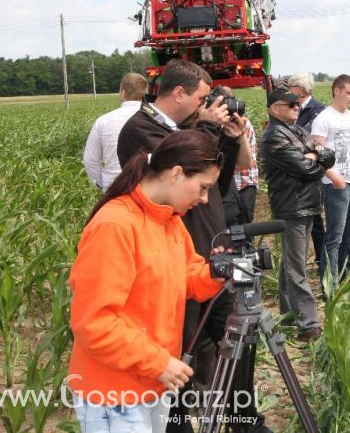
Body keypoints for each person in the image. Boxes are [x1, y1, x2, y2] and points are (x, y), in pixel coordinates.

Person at [116, 60, 268, 433]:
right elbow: (177, 167)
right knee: (182, 345)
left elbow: (217, 182)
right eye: (202, 98)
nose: (205, 104)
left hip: (206, 255)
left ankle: (242, 417)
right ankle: (178, 422)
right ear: (179, 93)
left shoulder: (182, 128)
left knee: (232, 336)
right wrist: (206, 127)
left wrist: (229, 141)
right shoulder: (140, 129)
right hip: (172, 259)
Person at [68, 130, 225, 432]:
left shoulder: (169, 220)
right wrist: (159, 362)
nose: (204, 199)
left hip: (153, 382)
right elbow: (95, 323)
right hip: (114, 393)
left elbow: (187, 277)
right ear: (176, 174)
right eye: (203, 187)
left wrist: (216, 271)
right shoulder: (115, 226)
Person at [261, 89, 335, 341]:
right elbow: (307, 169)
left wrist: (315, 155)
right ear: (274, 108)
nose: (296, 107)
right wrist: (315, 158)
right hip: (291, 206)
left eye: (297, 103)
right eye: (290, 104)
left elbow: (329, 155)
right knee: (296, 267)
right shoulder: (274, 136)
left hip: (306, 204)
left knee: (291, 263)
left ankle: (289, 315)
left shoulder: (297, 131)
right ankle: (309, 324)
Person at [311, 75, 350, 288]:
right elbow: (316, 151)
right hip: (337, 186)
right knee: (334, 237)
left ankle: (348, 275)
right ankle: (329, 284)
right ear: (336, 91)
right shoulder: (324, 118)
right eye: (349, 92)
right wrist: (335, 178)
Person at [82, 72, 148, 191]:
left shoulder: (103, 121)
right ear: (144, 93)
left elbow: (90, 160)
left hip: (114, 187)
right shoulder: (156, 117)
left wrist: (103, 185)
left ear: (123, 92)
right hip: (147, 188)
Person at [289, 72, 327, 264]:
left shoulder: (318, 110)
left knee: (315, 217)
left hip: (312, 171)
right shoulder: (293, 108)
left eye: (292, 87)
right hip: (295, 171)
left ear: (301, 89)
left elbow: (309, 138)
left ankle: (322, 257)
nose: (289, 91)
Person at [219, 86, 259, 225]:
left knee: (245, 228)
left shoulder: (243, 124)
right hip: (227, 189)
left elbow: (246, 163)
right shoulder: (212, 124)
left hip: (243, 184)